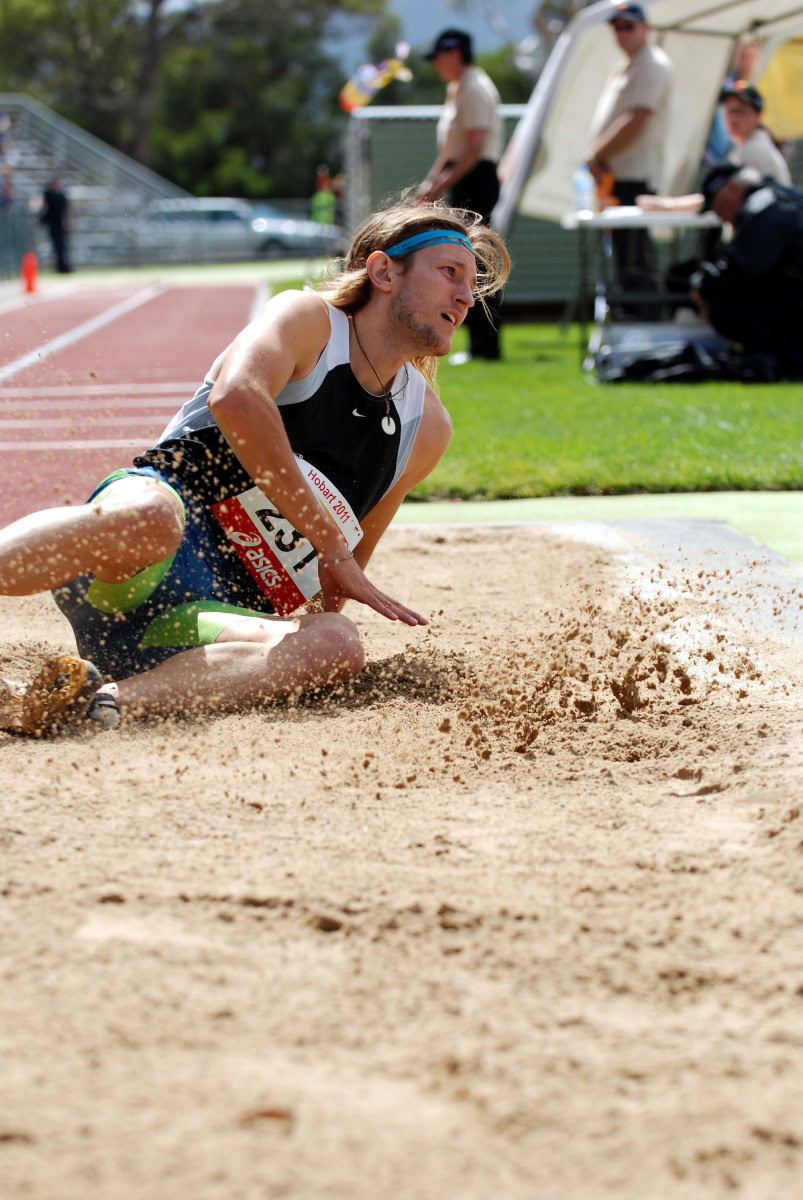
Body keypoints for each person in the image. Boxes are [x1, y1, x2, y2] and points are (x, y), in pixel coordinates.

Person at [0, 200, 510, 736]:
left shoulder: (426, 429)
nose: (464, 295)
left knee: (336, 641)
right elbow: (236, 398)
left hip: (201, 624)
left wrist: (306, 627)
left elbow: (343, 569)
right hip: (136, 554)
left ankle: (95, 704)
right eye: (450, 272)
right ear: (385, 271)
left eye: (471, 285)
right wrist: (330, 544)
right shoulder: (308, 320)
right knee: (150, 516)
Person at [415, 28, 504, 363]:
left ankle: (486, 345)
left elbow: (474, 147)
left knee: (476, 263)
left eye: (438, 57)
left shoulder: (474, 87)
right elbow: (451, 149)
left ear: (453, 53)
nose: (436, 65)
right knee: (465, 260)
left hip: (476, 178)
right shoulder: (459, 88)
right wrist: (432, 183)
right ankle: (478, 343)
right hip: (463, 177)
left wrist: (439, 184)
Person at [586, 2, 673, 302]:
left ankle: (643, 316)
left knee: (635, 256)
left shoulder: (652, 64)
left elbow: (637, 120)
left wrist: (597, 154)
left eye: (629, 26)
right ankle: (633, 313)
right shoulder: (631, 64)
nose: (622, 33)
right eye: (617, 27)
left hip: (634, 177)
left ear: (646, 28)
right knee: (625, 255)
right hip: (616, 175)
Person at [690, 163, 803, 378]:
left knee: (724, 307)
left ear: (732, 189)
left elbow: (745, 266)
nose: (722, 217)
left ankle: (789, 362)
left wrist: (703, 284)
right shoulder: (786, 197)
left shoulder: (764, 207)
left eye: (719, 206)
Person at [638, 80, 791, 214]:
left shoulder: (753, 149)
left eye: (740, 111)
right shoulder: (751, 144)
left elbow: (714, 198)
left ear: (758, 115)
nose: (733, 118)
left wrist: (665, 206)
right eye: (729, 111)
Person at [39, 176, 71, 273]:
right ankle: (58, 266)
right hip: (51, 223)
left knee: (62, 246)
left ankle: (63, 266)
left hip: (60, 223)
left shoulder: (61, 195)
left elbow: (66, 209)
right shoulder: (46, 194)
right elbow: (39, 203)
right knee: (55, 245)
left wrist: (69, 221)